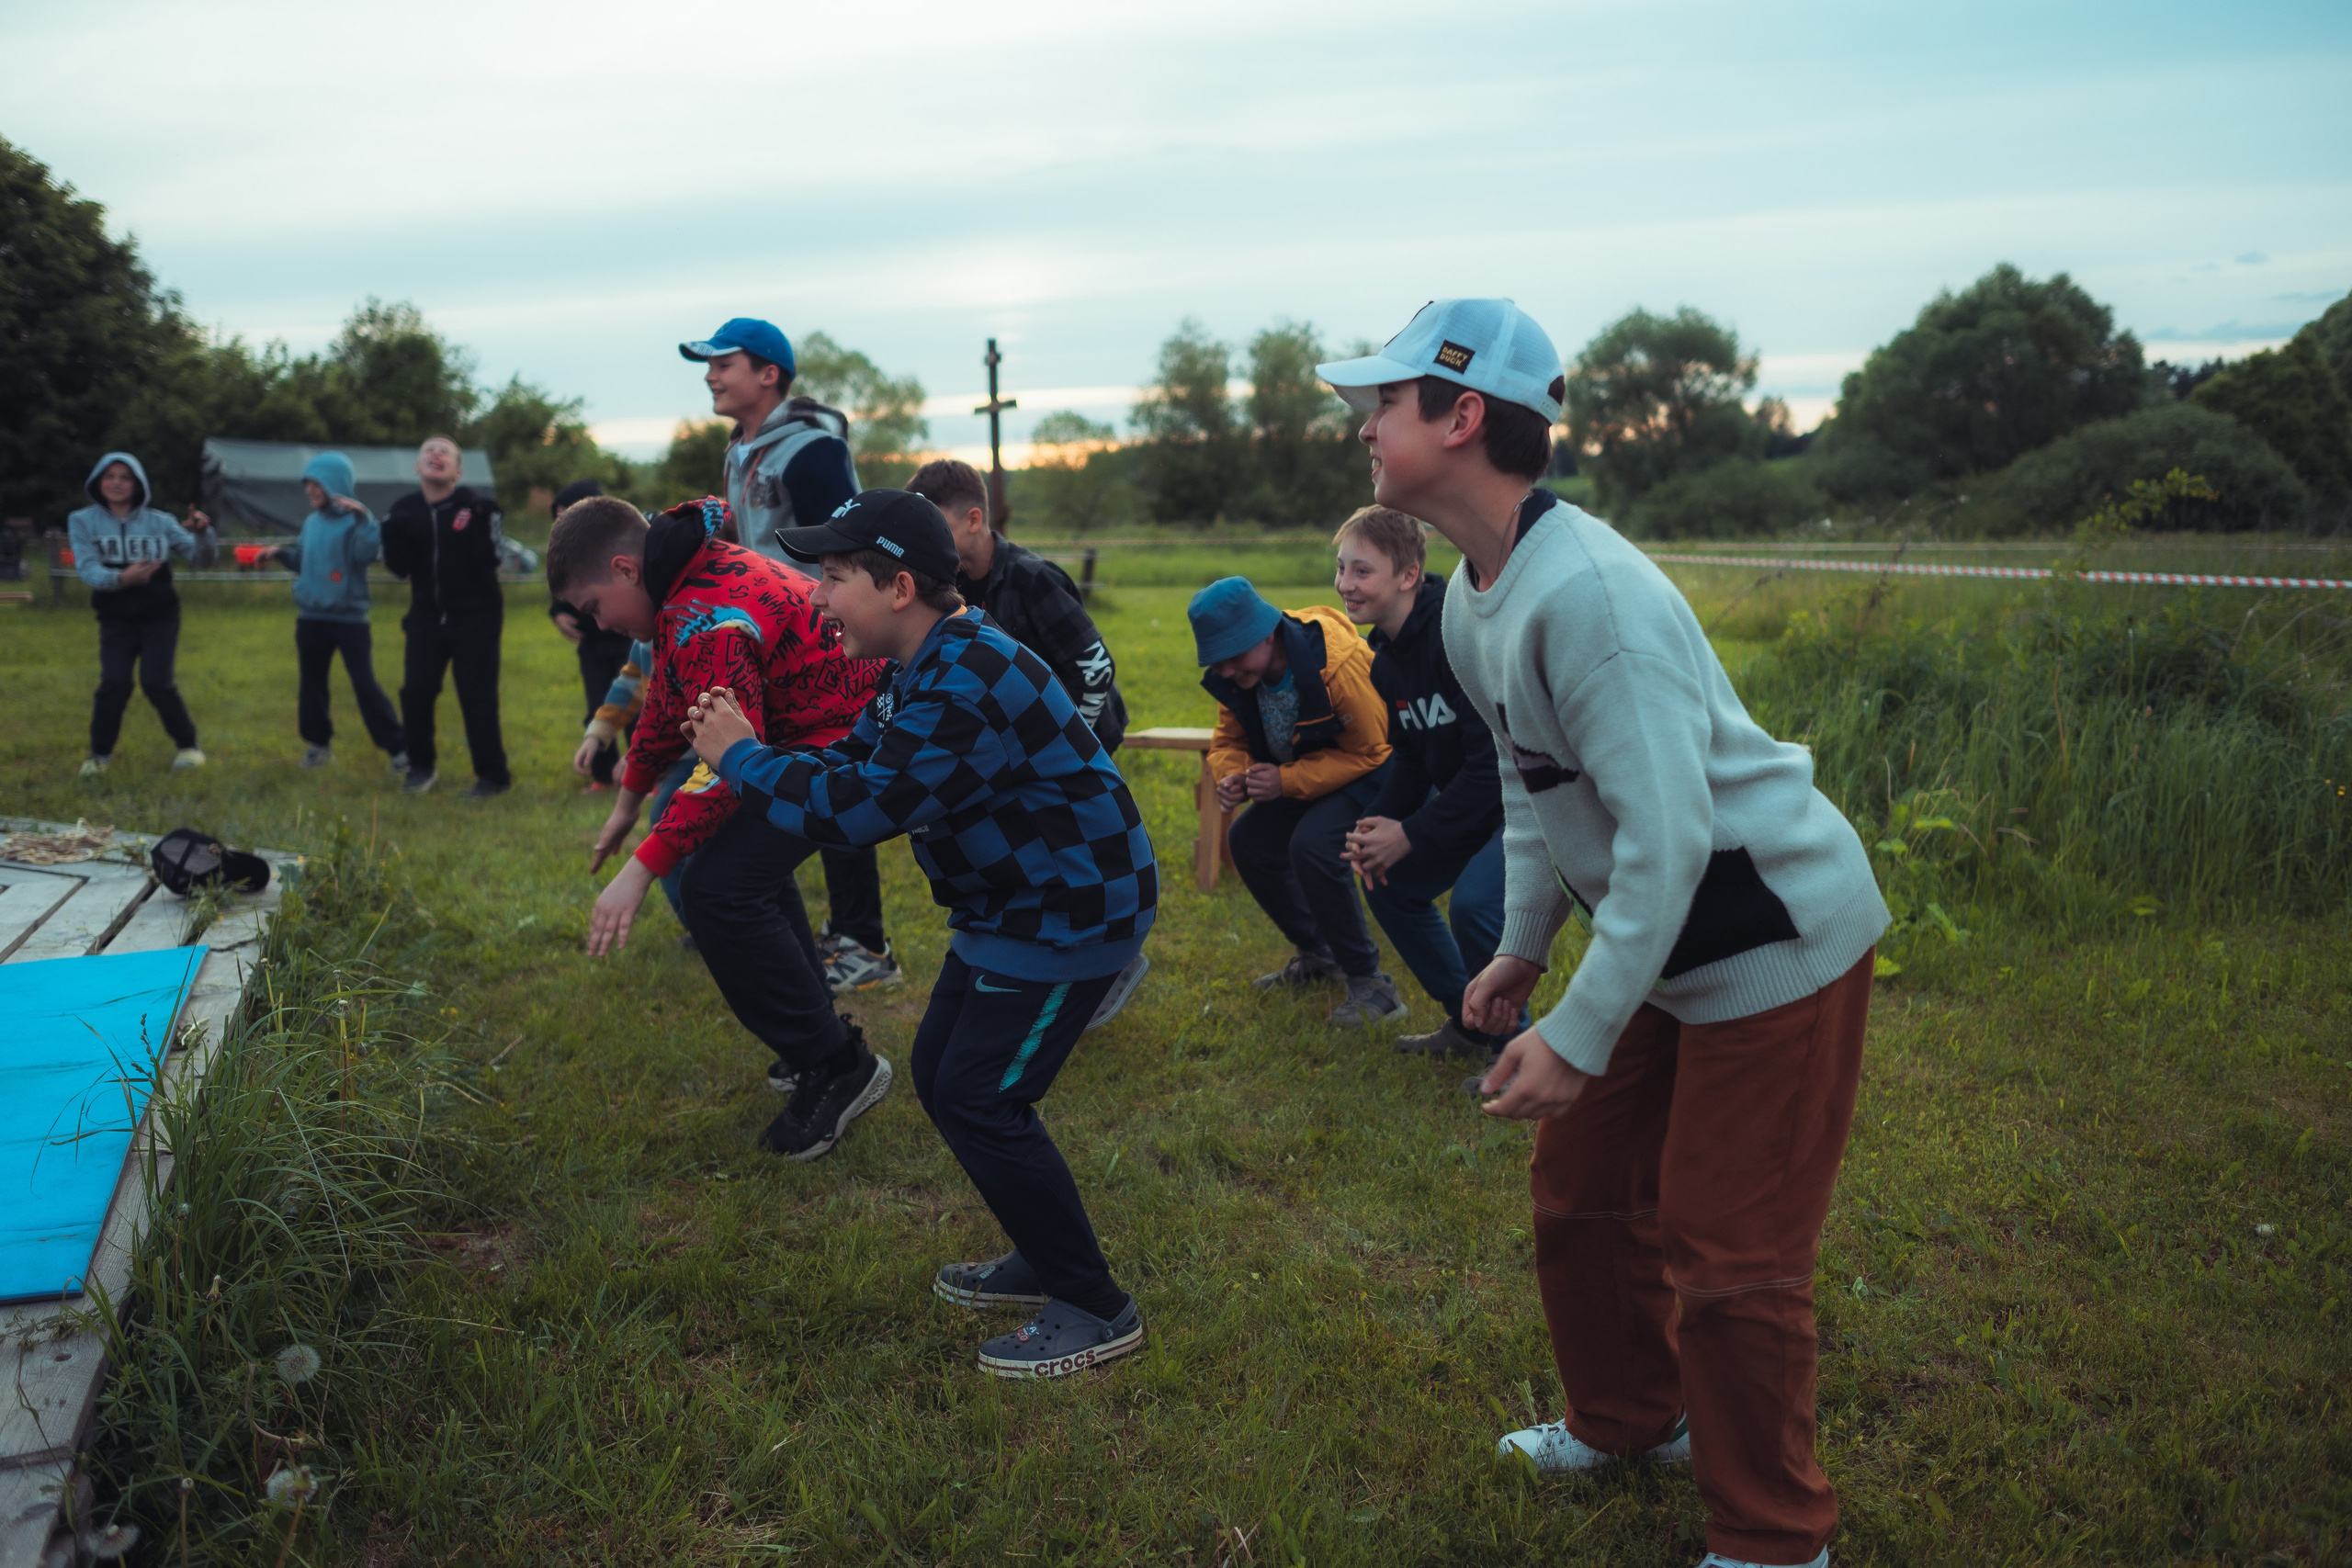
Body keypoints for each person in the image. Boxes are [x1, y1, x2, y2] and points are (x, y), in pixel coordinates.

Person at [1318, 299, 1889, 1568]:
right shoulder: (1477, 591)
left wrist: (1575, 1032)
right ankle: (1632, 1418)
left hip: (1772, 937)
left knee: (1730, 1250)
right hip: (1665, 929)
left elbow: (1675, 842)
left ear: (1463, 417)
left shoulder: (1590, 600)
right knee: (1580, 1190)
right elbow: (1532, 779)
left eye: (1388, 402)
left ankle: (1776, 1536)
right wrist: (1522, 944)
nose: (1364, 424)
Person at [676, 488, 1157, 1378]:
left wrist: (742, 759)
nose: (816, 598)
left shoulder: (965, 678)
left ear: (898, 587)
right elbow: (859, 762)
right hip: (1008, 908)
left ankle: (1094, 1305)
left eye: (832, 578)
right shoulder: (925, 664)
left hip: (1068, 913)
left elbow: (860, 812)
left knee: (980, 1095)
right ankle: (1043, 1258)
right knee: (943, 1076)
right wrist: (759, 760)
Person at [553, 493, 888, 1125]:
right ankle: (818, 1037)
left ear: (626, 569)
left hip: (848, 742)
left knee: (715, 888)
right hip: (809, 738)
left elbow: (727, 766)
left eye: (595, 607)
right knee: (735, 874)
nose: (598, 625)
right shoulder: (685, 587)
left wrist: (642, 867)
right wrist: (631, 801)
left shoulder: (707, 616)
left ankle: (838, 1065)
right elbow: (672, 705)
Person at [683, 316, 896, 994]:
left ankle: (865, 941)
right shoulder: (741, 447)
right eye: (708, 365)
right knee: (772, 768)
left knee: (836, 772)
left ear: (769, 372)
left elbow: (843, 552)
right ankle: (754, 904)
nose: (712, 375)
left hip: (825, 643)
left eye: (725, 363)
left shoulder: (810, 450)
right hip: (771, 645)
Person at [905, 457, 1148, 1032]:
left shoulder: (1032, 578)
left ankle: (1114, 960)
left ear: (972, 519)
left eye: (934, 524)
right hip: (1011, 756)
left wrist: (1072, 748)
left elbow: (1093, 667)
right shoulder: (952, 590)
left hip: (1077, 740)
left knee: (1076, 851)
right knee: (1028, 854)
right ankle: (1039, 961)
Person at [1331, 505, 1528, 1066]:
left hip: (1527, 802)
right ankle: (1469, 1022)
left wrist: (1412, 832)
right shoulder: (1384, 660)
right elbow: (1414, 758)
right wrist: (1374, 825)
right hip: (1471, 801)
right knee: (1388, 880)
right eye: (1342, 569)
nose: (1346, 584)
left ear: (1408, 575)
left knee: (1474, 906)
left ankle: (1514, 1046)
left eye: (1362, 571)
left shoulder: (1457, 636)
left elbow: (1493, 768)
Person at [1189, 576, 1402, 1029]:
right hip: (1308, 771)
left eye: (1235, 656)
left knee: (1314, 843)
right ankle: (1319, 956)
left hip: (1375, 769)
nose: (1227, 671)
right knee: (1248, 840)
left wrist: (1285, 782)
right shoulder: (1238, 677)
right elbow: (1228, 740)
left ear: (1267, 633)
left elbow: (1374, 750)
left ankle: (1371, 984)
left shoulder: (1336, 665)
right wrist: (1232, 775)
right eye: (1218, 662)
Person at [65, 452, 216, 777]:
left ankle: (189, 748)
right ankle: (99, 757)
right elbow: (88, 569)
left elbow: (201, 558)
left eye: (125, 477)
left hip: (159, 615)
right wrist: (121, 579)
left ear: (138, 484)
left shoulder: (160, 522)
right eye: (110, 476)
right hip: (115, 617)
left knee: (156, 682)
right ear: (98, 481)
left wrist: (204, 533)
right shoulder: (81, 521)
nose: (116, 483)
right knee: (114, 683)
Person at [262, 453, 409, 773]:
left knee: (364, 685)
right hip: (310, 618)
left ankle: (399, 749)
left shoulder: (357, 523)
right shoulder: (312, 522)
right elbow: (305, 560)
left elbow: (366, 553)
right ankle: (319, 746)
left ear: (335, 484)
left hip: (349, 621)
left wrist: (364, 520)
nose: (310, 490)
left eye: (316, 483)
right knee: (311, 685)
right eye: (308, 484)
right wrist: (279, 554)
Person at [381, 435, 510, 797]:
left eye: (445, 452)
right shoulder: (403, 510)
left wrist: (487, 523)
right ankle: (420, 768)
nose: (435, 454)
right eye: (428, 450)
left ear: (457, 471)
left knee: (477, 696)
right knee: (416, 692)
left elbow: (493, 560)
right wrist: (388, 534)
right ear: (417, 466)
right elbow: (399, 568)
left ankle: (492, 777)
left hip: (476, 618)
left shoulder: (476, 507)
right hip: (426, 617)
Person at [547, 479, 634, 788]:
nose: (562, 522)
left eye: (567, 513)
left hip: (627, 639)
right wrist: (557, 613)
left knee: (636, 704)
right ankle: (602, 775)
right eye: (557, 517)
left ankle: (646, 774)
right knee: (597, 703)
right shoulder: (564, 552)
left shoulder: (621, 542)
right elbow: (560, 593)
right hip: (590, 644)